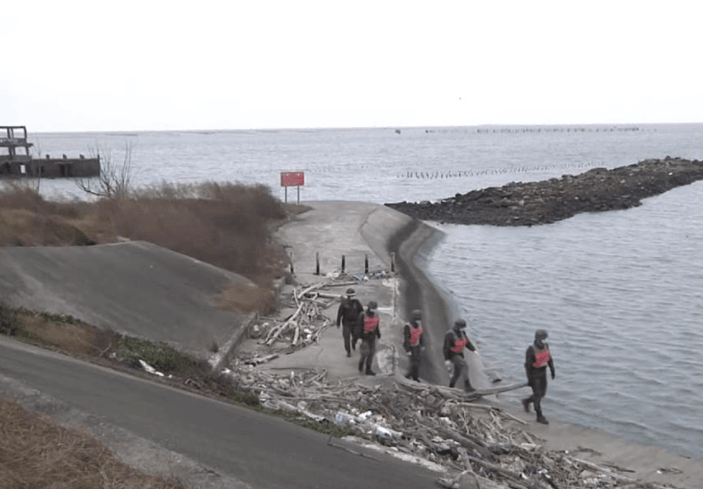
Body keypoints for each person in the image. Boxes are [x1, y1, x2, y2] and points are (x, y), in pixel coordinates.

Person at [522, 329, 556, 424]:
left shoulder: (546, 346)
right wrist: (530, 379)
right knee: (538, 396)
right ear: (537, 338)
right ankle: (539, 416)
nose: (542, 341)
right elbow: (527, 366)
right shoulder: (531, 349)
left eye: (544, 339)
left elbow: (550, 359)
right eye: (541, 339)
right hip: (534, 374)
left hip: (543, 372)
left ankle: (527, 401)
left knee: (542, 394)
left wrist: (552, 370)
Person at [443, 318, 477, 392]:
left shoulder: (462, 333)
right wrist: (447, 359)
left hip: (460, 354)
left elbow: (467, 342)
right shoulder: (450, 334)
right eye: (461, 327)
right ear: (457, 326)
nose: (462, 329)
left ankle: (450, 387)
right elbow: (446, 347)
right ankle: (467, 386)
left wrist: (474, 350)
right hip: (453, 355)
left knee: (457, 373)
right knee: (465, 366)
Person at [336, 288, 364, 357]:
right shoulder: (343, 303)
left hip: (356, 323)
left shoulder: (357, 302)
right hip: (346, 323)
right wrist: (338, 322)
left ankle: (353, 343)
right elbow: (340, 313)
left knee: (356, 336)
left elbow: (361, 311)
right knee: (346, 338)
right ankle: (348, 351)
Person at [357, 301, 381, 375]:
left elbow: (376, 325)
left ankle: (368, 369)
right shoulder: (363, 315)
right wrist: (358, 338)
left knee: (371, 353)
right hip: (364, 336)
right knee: (364, 353)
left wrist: (378, 333)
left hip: (372, 336)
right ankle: (361, 364)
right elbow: (359, 327)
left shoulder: (376, 315)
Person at [403, 309, 425, 381]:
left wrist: (422, 344)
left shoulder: (419, 325)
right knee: (413, 362)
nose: (419, 321)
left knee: (418, 361)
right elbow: (406, 339)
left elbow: (421, 335)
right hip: (411, 346)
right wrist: (408, 350)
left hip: (417, 345)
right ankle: (409, 375)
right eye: (417, 319)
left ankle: (415, 377)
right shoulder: (408, 326)